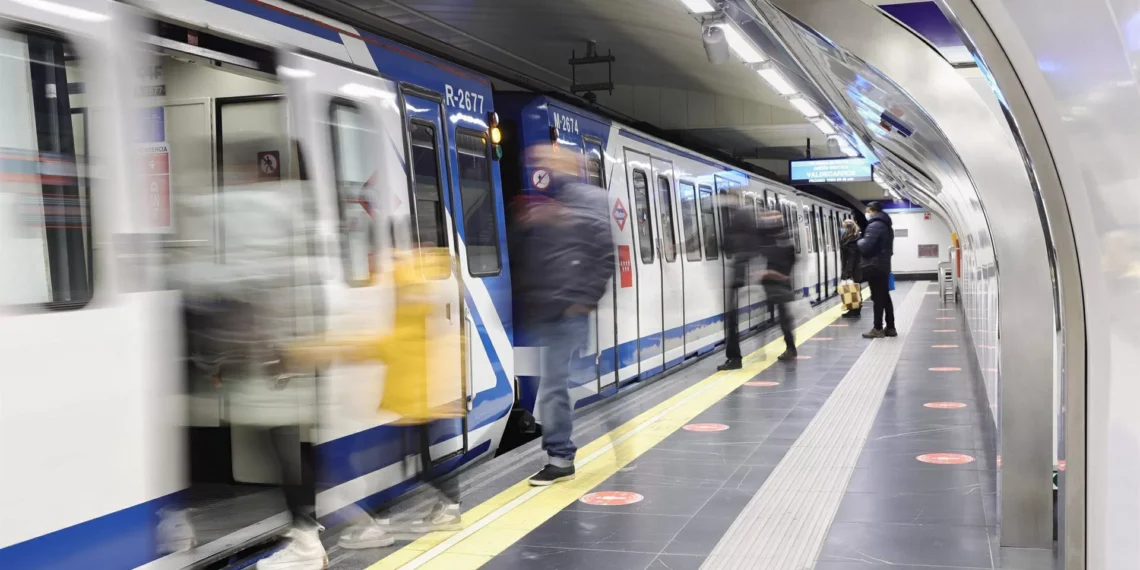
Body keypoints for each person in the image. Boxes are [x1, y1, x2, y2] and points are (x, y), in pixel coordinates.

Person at [514, 146, 615, 486]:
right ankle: (565, 448)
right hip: (545, 309)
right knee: (554, 383)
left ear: (571, 164)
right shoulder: (544, 202)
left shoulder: (588, 200)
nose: (544, 165)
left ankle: (560, 458)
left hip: (568, 310)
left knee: (555, 385)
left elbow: (602, 256)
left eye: (551, 160)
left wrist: (583, 302)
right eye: (540, 161)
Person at [717, 189, 761, 371]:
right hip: (742, 271)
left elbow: (731, 244)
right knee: (732, 316)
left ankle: (735, 358)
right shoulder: (744, 215)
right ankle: (735, 357)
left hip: (739, 273)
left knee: (732, 316)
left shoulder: (740, 216)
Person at [757, 208, 798, 360]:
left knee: (784, 318)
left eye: (769, 217)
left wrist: (769, 273)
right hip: (777, 283)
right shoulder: (782, 237)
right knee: (781, 317)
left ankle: (790, 348)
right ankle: (788, 347)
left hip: (779, 284)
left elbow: (781, 260)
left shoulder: (781, 239)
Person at [858, 202, 896, 338]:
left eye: (868, 211)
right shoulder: (886, 225)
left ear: (873, 211)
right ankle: (891, 327)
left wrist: (858, 240)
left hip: (875, 266)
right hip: (883, 265)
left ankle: (878, 328)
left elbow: (866, 247)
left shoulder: (875, 225)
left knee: (878, 298)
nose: (867, 214)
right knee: (885, 296)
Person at [839, 218, 863, 319]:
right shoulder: (849, 237)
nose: (842, 229)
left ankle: (855, 310)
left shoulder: (853, 239)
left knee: (854, 289)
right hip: (851, 267)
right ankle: (852, 308)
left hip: (853, 268)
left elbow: (852, 257)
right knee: (853, 288)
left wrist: (848, 272)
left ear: (848, 228)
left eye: (844, 227)